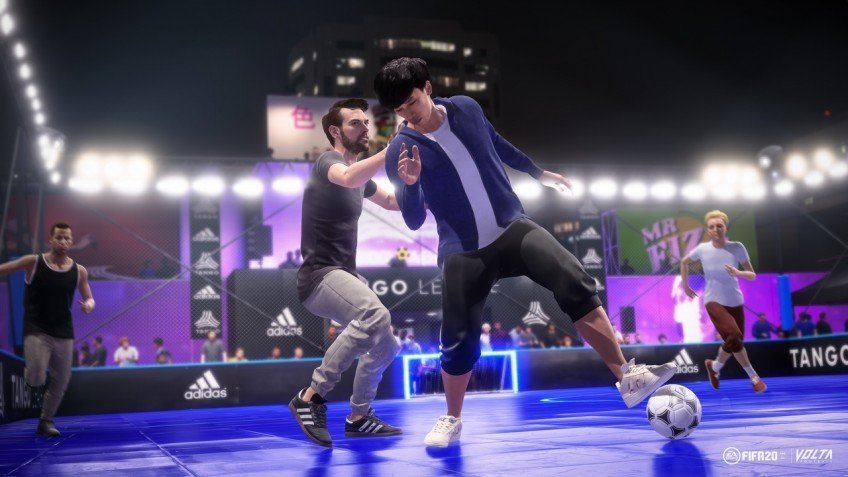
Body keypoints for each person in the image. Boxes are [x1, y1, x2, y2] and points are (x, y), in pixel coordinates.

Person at [375, 58, 676, 447]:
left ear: (428, 88)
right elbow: (414, 220)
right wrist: (412, 184)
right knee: (459, 338)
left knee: (573, 279)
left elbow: (497, 143)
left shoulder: (465, 108)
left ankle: (626, 376)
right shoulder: (400, 151)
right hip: (463, 250)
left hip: (512, 228)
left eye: (412, 102)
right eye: (399, 109)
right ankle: (452, 418)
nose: (408, 114)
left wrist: (538, 173)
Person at [289, 98, 403, 448]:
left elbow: (393, 202)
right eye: (355, 123)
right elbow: (349, 175)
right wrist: (391, 149)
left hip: (344, 275)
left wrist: (426, 188)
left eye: (366, 123)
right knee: (374, 315)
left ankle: (358, 417)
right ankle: (311, 396)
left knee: (388, 345)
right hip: (319, 277)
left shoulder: (360, 179)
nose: (365, 128)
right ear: (335, 132)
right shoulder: (329, 162)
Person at [0, 222, 95, 437]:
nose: (63, 241)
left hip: (64, 331)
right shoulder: (33, 262)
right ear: (50, 240)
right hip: (36, 328)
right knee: (36, 376)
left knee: (61, 379)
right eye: (59, 237)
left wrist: (89, 305)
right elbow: (5, 268)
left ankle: (45, 421)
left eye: (67, 238)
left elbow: (89, 297)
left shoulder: (79, 271)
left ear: (71, 242)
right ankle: (32, 374)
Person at [681, 210, 766, 394]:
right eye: (711, 227)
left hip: (735, 300)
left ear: (725, 228)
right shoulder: (702, 249)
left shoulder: (737, 247)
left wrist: (739, 272)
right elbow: (684, 262)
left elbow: (752, 275)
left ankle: (714, 367)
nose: (716, 229)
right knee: (734, 335)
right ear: (708, 230)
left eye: (719, 226)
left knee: (735, 341)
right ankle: (754, 377)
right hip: (713, 300)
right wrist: (686, 286)